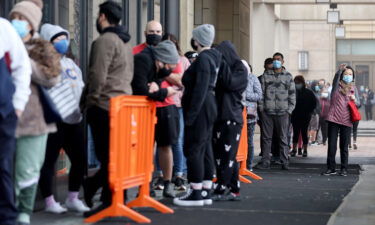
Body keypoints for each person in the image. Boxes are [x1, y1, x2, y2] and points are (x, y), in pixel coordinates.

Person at [9, 1, 62, 224]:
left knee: (27, 170)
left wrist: (24, 62)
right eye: (15, 18)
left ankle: (23, 211)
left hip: (33, 120)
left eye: (23, 19)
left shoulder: (41, 48)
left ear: (32, 24)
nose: (18, 23)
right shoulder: (5, 45)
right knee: (8, 171)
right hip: (7, 117)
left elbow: (53, 78)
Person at [81, 1, 133, 217]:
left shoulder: (105, 41)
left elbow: (97, 75)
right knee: (115, 157)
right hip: (121, 107)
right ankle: (105, 196)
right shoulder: (125, 43)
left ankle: (101, 194)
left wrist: (89, 101)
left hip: (104, 106)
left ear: (102, 16)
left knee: (107, 157)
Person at [38, 23, 89, 214]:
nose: (62, 42)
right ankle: (49, 201)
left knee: (80, 159)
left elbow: (81, 87)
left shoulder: (71, 64)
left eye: (64, 38)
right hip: (54, 120)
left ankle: (73, 198)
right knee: (49, 161)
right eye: (57, 39)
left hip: (74, 119)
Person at [174, 24, 220, 206]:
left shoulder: (203, 59)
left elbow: (199, 89)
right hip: (209, 106)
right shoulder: (214, 57)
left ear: (197, 40)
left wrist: (191, 115)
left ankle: (196, 192)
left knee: (194, 149)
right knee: (205, 148)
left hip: (201, 107)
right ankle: (205, 189)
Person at [132, 40, 180, 198]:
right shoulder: (143, 60)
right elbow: (141, 90)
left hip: (161, 108)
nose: (169, 72)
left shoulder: (158, 65)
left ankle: (166, 183)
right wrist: (163, 92)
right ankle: (144, 185)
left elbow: (156, 83)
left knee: (165, 145)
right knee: (145, 148)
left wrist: (156, 86)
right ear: (162, 61)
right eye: (169, 67)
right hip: (144, 108)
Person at [0, 17, 32, 225]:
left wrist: (19, 104)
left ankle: (7, 218)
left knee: (2, 165)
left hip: (4, 112)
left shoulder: (3, 27)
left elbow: (22, 66)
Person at [210, 41, 248, 201]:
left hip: (231, 117)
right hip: (220, 116)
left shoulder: (239, 68)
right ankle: (234, 187)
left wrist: (222, 65)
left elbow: (230, 84)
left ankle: (222, 186)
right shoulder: (222, 69)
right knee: (224, 154)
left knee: (227, 154)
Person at [255, 52, 296, 170]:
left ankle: (284, 161)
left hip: (283, 113)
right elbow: (261, 94)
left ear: (283, 61)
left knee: (283, 138)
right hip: (268, 112)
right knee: (266, 138)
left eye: (278, 59)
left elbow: (292, 94)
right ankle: (265, 161)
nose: (276, 61)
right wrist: (262, 109)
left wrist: (289, 110)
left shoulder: (288, 76)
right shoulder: (266, 75)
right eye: (274, 59)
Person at [162, 33, 190, 191]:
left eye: (171, 43)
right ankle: (161, 174)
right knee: (162, 142)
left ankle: (179, 173)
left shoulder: (183, 60)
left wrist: (168, 76)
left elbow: (184, 82)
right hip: (161, 103)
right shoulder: (158, 59)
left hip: (178, 105)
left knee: (177, 141)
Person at [323, 65, 361, 176]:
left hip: (347, 120)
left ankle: (344, 168)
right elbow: (335, 79)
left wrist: (355, 101)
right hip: (333, 119)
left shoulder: (354, 89)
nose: (348, 76)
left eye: (350, 74)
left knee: (344, 146)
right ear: (342, 76)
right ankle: (331, 168)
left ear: (353, 76)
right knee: (332, 145)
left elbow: (358, 104)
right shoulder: (336, 86)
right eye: (346, 74)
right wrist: (339, 71)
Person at [290, 75, 317, 157]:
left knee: (304, 133)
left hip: (305, 116)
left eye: (298, 83)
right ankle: (295, 149)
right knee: (296, 133)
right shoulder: (293, 92)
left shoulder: (309, 92)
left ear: (302, 83)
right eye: (295, 83)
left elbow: (314, 103)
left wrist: (309, 111)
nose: (297, 84)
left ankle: (304, 150)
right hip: (295, 115)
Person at [243, 61, 262, 170]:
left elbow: (259, 95)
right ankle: (239, 164)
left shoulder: (253, 79)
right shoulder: (235, 77)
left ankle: (248, 165)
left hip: (250, 114)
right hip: (237, 114)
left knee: (249, 140)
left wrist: (245, 95)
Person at [308, 80, 321, 146]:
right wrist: (314, 111)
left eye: (318, 85)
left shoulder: (317, 92)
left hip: (316, 112)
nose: (317, 86)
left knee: (313, 127)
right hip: (313, 113)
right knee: (313, 127)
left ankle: (311, 140)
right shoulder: (311, 93)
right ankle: (311, 141)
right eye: (316, 85)